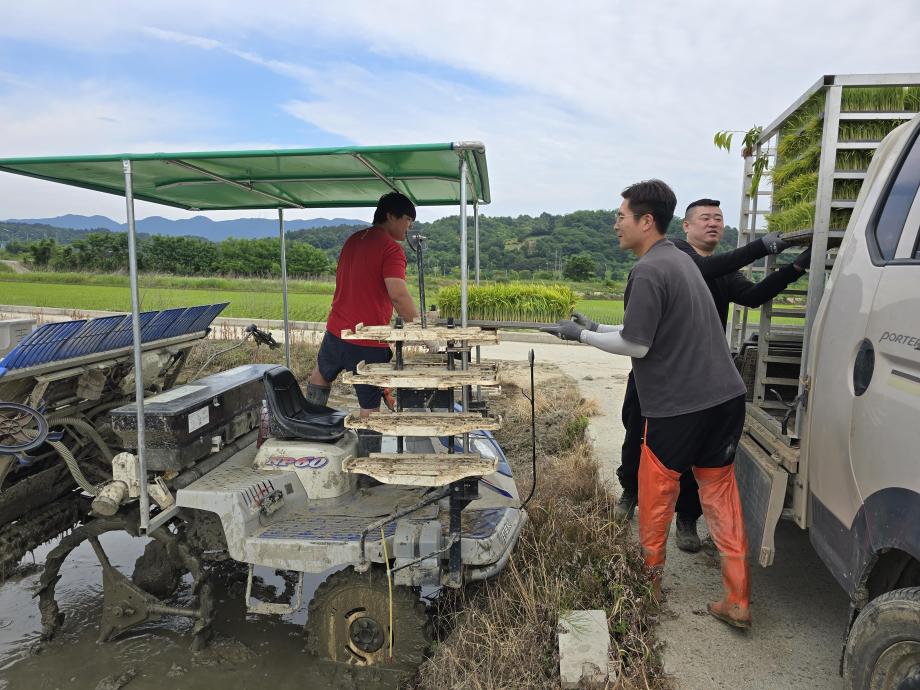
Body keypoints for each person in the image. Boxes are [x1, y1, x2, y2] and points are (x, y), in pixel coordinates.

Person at [544, 179, 753, 628]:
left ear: (646, 221)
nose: (615, 224)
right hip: (726, 399)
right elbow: (650, 328)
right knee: (720, 495)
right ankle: (738, 599)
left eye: (621, 216)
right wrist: (595, 326)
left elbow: (637, 345)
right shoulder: (678, 260)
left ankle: (648, 586)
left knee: (657, 494)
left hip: (681, 406)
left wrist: (580, 337)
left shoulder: (648, 270)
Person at [600, 198, 812, 552]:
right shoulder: (676, 253)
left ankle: (686, 518)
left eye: (718, 218)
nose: (713, 223)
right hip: (655, 373)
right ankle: (631, 492)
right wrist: (761, 246)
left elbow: (754, 295)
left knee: (696, 450)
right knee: (637, 432)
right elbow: (703, 268)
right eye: (704, 218)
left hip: (698, 380)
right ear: (685, 226)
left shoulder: (723, 269)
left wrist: (798, 266)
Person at [306, 192, 419, 439]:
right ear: (391, 216)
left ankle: (309, 430)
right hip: (367, 338)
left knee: (321, 375)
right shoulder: (391, 249)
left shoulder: (354, 239)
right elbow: (398, 295)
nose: (409, 226)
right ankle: (367, 459)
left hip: (336, 330)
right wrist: (421, 329)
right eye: (408, 220)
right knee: (369, 405)